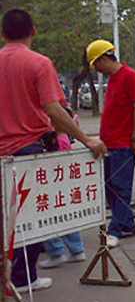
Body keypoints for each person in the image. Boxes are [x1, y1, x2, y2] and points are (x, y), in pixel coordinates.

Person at [0, 9, 107, 292]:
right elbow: (54, 110)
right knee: (30, 218)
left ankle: (9, 275)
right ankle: (23, 279)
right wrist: (86, 139)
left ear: (3, 33)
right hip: (29, 152)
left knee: (6, 217)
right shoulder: (39, 63)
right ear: (33, 31)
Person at [86, 40, 135, 249]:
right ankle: (127, 225)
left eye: (97, 65)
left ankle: (115, 231)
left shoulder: (130, 76)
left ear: (104, 59)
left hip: (122, 144)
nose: (97, 69)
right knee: (110, 187)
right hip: (109, 144)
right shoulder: (113, 80)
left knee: (121, 188)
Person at [38, 104, 87, 268]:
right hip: (65, 186)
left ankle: (56, 251)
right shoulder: (65, 138)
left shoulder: (56, 140)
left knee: (47, 217)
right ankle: (77, 250)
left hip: (54, 185)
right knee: (68, 217)